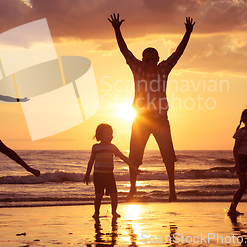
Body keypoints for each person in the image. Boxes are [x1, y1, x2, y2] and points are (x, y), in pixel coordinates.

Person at [108, 13, 195, 201]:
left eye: (153, 59)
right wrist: (117, 29)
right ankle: (133, 189)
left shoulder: (163, 68)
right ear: (142, 59)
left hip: (160, 120)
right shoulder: (136, 67)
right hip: (140, 119)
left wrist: (187, 33)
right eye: (146, 59)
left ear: (157, 59)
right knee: (135, 156)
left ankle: (172, 190)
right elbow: (124, 50)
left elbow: (178, 53)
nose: (150, 62)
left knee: (168, 156)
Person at [84, 123, 138, 218]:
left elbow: (123, 158)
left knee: (114, 195)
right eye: (108, 134)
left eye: (111, 134)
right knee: (99, 195)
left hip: (109, 175)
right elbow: (91, 162)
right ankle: (96, 213)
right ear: (100, 135)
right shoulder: (95, 147)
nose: (111, 136)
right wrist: (87, 175)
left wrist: (133, 167)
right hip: (98, 175)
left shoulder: (112, 147)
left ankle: (114, 212)